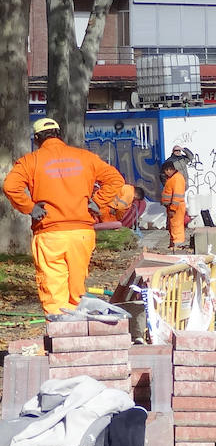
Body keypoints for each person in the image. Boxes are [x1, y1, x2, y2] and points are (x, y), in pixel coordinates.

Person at [3, 117, 126, 314]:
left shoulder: (30, 161)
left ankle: (59, 334)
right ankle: (78, 335)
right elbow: (115, 179)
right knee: (77, 290)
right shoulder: (85, 157)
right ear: (59, 134)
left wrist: (30, 207)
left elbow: (10, 186)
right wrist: (98, 201)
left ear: (36, 139)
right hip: (81, 234)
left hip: (49, 233)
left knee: (54, 291)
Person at [159, 159, 188, 249]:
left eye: (165, 171)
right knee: (173, 225)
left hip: (176, 206)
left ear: (169, 169)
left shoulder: (177, 178)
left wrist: (173, 208)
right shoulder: (173, 178)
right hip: (173, 206)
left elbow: (177, 196)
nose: (165, 174)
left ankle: (177, 243)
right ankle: (173, 243)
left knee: (176, 225)